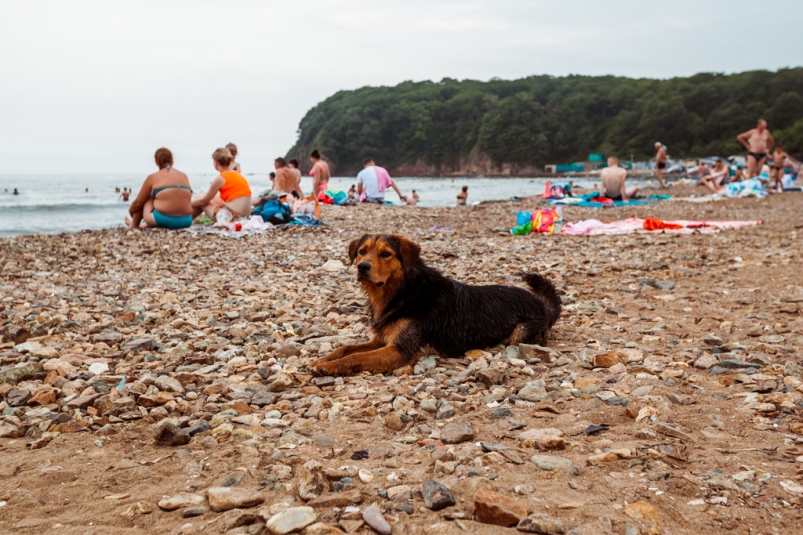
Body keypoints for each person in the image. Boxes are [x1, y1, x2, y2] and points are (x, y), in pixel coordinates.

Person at [125, 148, 193, 230]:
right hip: (187, 221)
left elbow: (138, 203)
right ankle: (143, 224)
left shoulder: (152, 177)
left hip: (162, 220)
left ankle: (134, 225)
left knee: (147, 196)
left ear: (156, 162)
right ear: (172, 160)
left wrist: (131, 211)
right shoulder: (184, 176)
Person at [192, 148, 253, 220]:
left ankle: (187, 219)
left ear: (216, 163)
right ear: (229, 161)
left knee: (201, 199)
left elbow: (203, 202)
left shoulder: (220, 178)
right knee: (203, 194)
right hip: (246, 216)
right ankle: (187, 218)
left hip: (231, 218)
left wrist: (188, 203)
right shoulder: (238, 174)